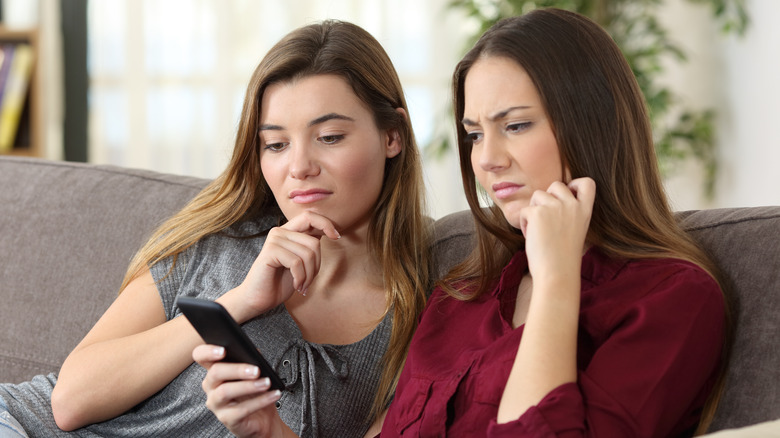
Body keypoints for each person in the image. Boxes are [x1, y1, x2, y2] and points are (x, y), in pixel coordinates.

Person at [0, 20, 430, 438]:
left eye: (330, 137)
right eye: (276, 144)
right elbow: (70, 401)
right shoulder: (219, 238)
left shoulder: (418, 320)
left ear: (392, 136)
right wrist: (239, 302)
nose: (299, 166)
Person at [381, 8, 729, 437]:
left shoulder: (673, 299)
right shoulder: (458, 296)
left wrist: (556, 280)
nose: (487, 159)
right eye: (475, 134)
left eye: (516, 125)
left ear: (592, 127)